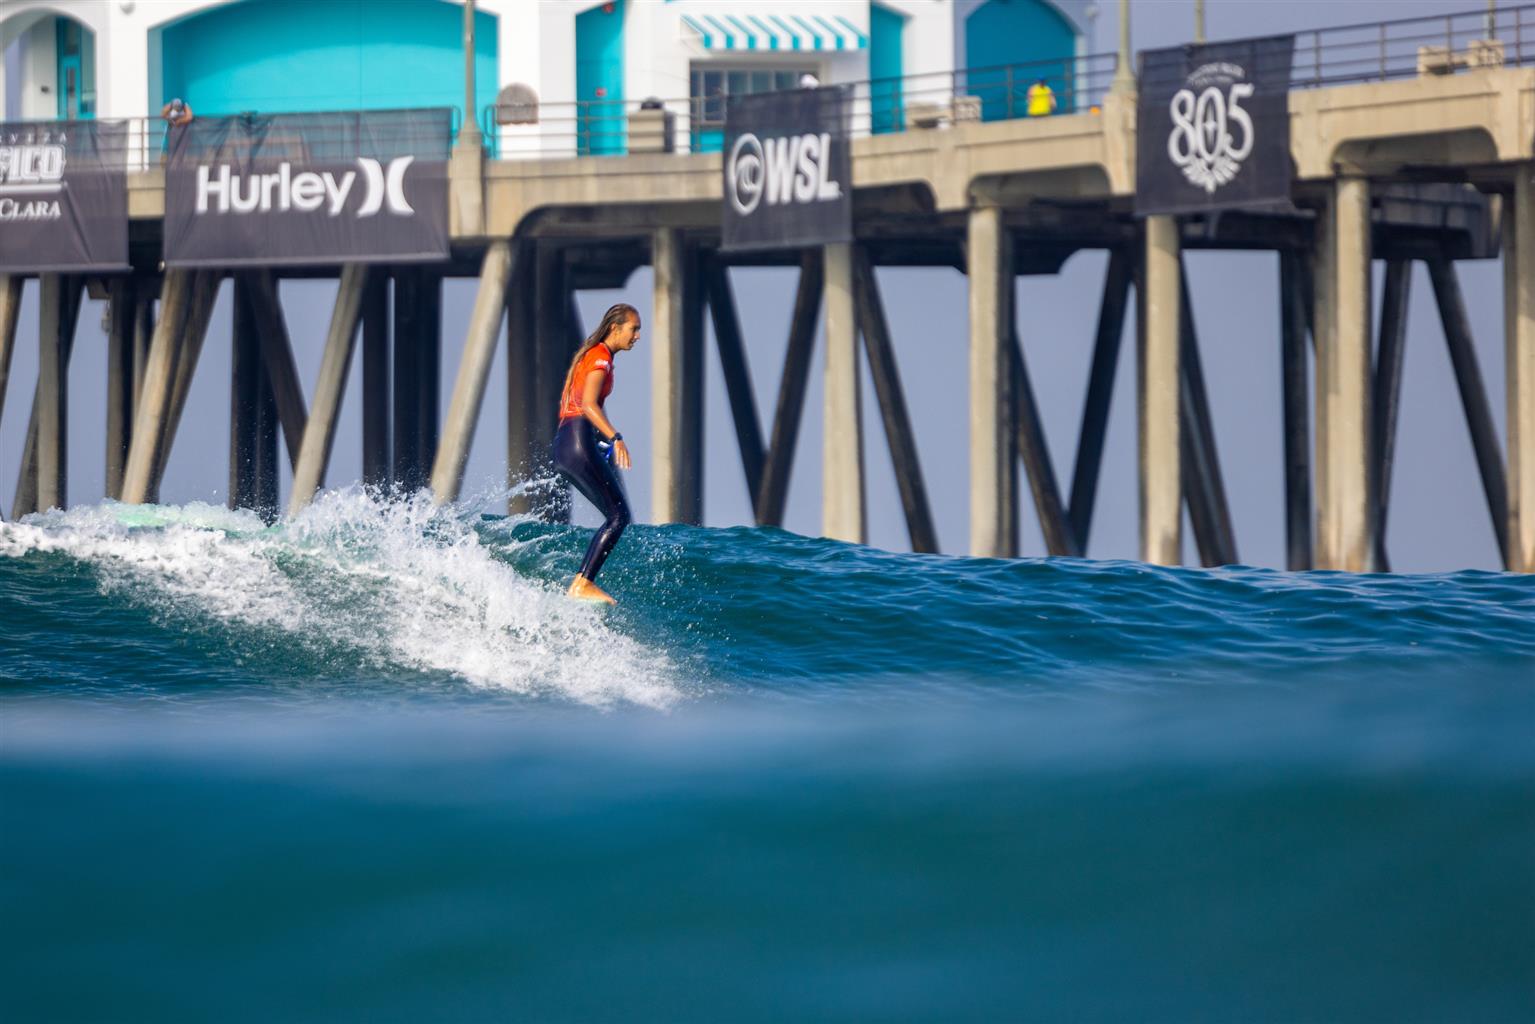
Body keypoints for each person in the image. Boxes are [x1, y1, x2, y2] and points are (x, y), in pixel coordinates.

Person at [552, 303, 640, 604]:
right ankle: (583, 583)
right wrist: (614, 438)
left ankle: (581, 582)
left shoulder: (592, 356)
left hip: (566, 444)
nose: (637, 336)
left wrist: (597, 444)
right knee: (619, 515)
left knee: (614, 514)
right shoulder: (600, 357)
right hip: (577, 439)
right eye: (634, 329)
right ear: (615, 328)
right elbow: (588, 405)